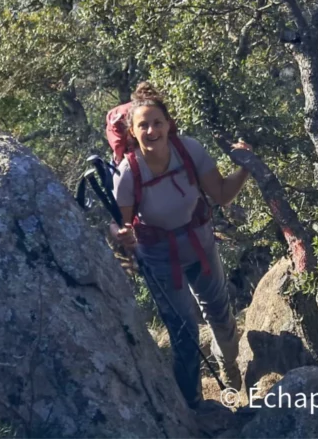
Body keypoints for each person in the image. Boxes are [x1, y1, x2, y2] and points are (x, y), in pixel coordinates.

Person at [109, 81, 252, 409]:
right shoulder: (127, 172)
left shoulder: (189, 150)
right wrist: (119, 235)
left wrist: (245, 167)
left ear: (169, 125)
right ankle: (192, 404)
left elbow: (221, 194)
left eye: (157, 122)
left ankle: (229, 367)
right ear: (132, 131)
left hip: (200, 245)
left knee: (220, 314)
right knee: (184, 331)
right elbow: (119, 223)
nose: (151, 130)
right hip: (159, 258)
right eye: (143, 125)